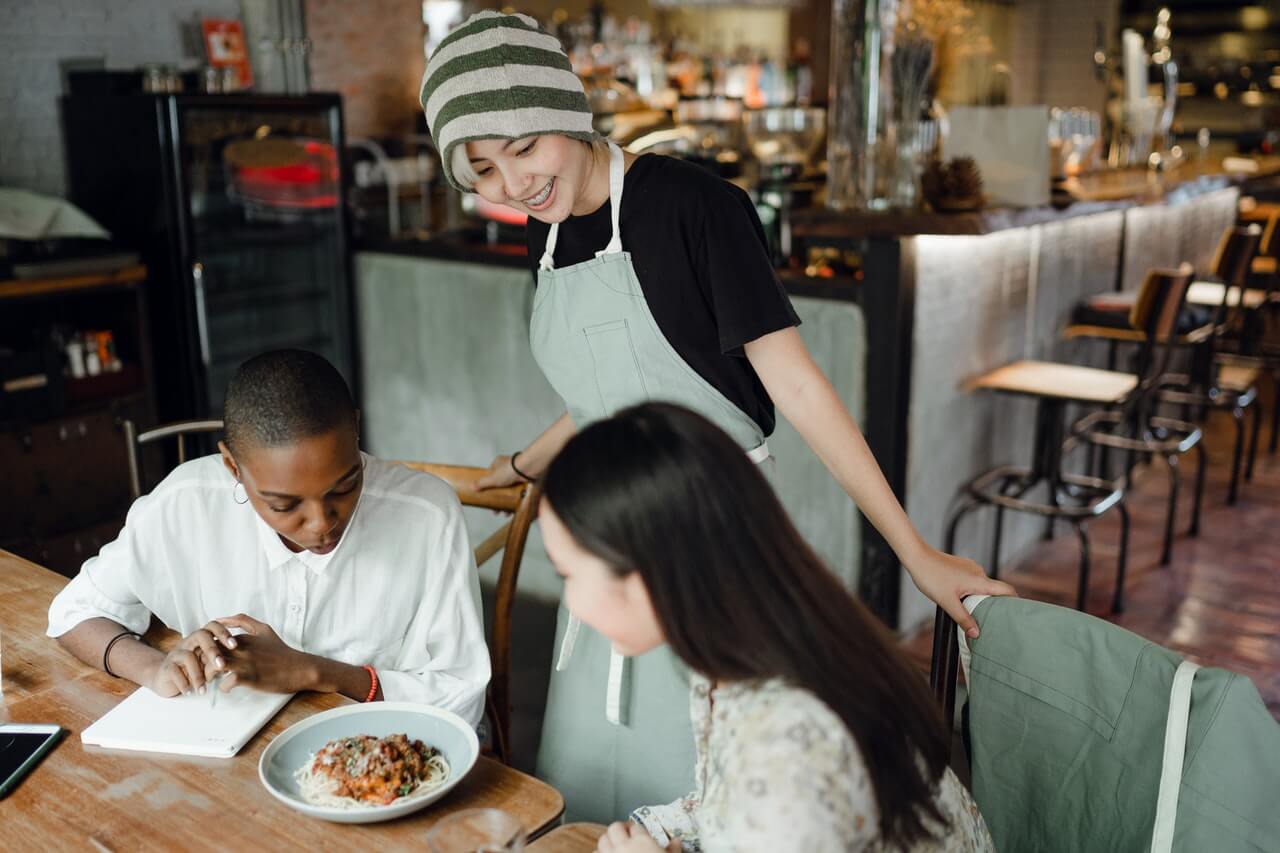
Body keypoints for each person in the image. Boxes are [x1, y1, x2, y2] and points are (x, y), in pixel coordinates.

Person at [420, 11, 1013, 818]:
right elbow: (600, 393)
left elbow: (799, 388)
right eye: (483, 170)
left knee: (727, 784)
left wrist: (913, 552)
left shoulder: (697, 209)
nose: (515, 184)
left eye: (525, 148)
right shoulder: (547, 231)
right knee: (595, 789)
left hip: (717, 551)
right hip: (612, 556)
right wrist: (526, 462)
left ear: (569, 114)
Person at [540, 403, 994, 853]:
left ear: (644, 577)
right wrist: (653, 830)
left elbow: (773, 800)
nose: (570, 599)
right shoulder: (759, 637)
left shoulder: (789, 749)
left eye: (568, 573)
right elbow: (727, 805)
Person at [47, 349, 489, 724]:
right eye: (284, 505)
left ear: (356, 428)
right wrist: (155, 667)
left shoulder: (426, 515)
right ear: (233, 468)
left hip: (381, 751)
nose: (320, 523)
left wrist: (318, 672)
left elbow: (463, 696)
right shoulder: (187, 501)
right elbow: (74, 611)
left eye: (345, 485)